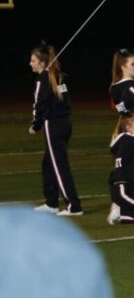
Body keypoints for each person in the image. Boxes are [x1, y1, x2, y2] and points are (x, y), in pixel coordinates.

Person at [29, 44, 83, 216]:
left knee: (60, 166)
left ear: (42, 63)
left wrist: (35, 125)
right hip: (65, 124)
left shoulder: (43, 80)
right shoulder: (58, 77)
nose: (30, 64)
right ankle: (51, 202)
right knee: (48, 164)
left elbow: (39, 105)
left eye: (33, 60)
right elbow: (65, 101)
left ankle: (74, 206)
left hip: (53, 126)